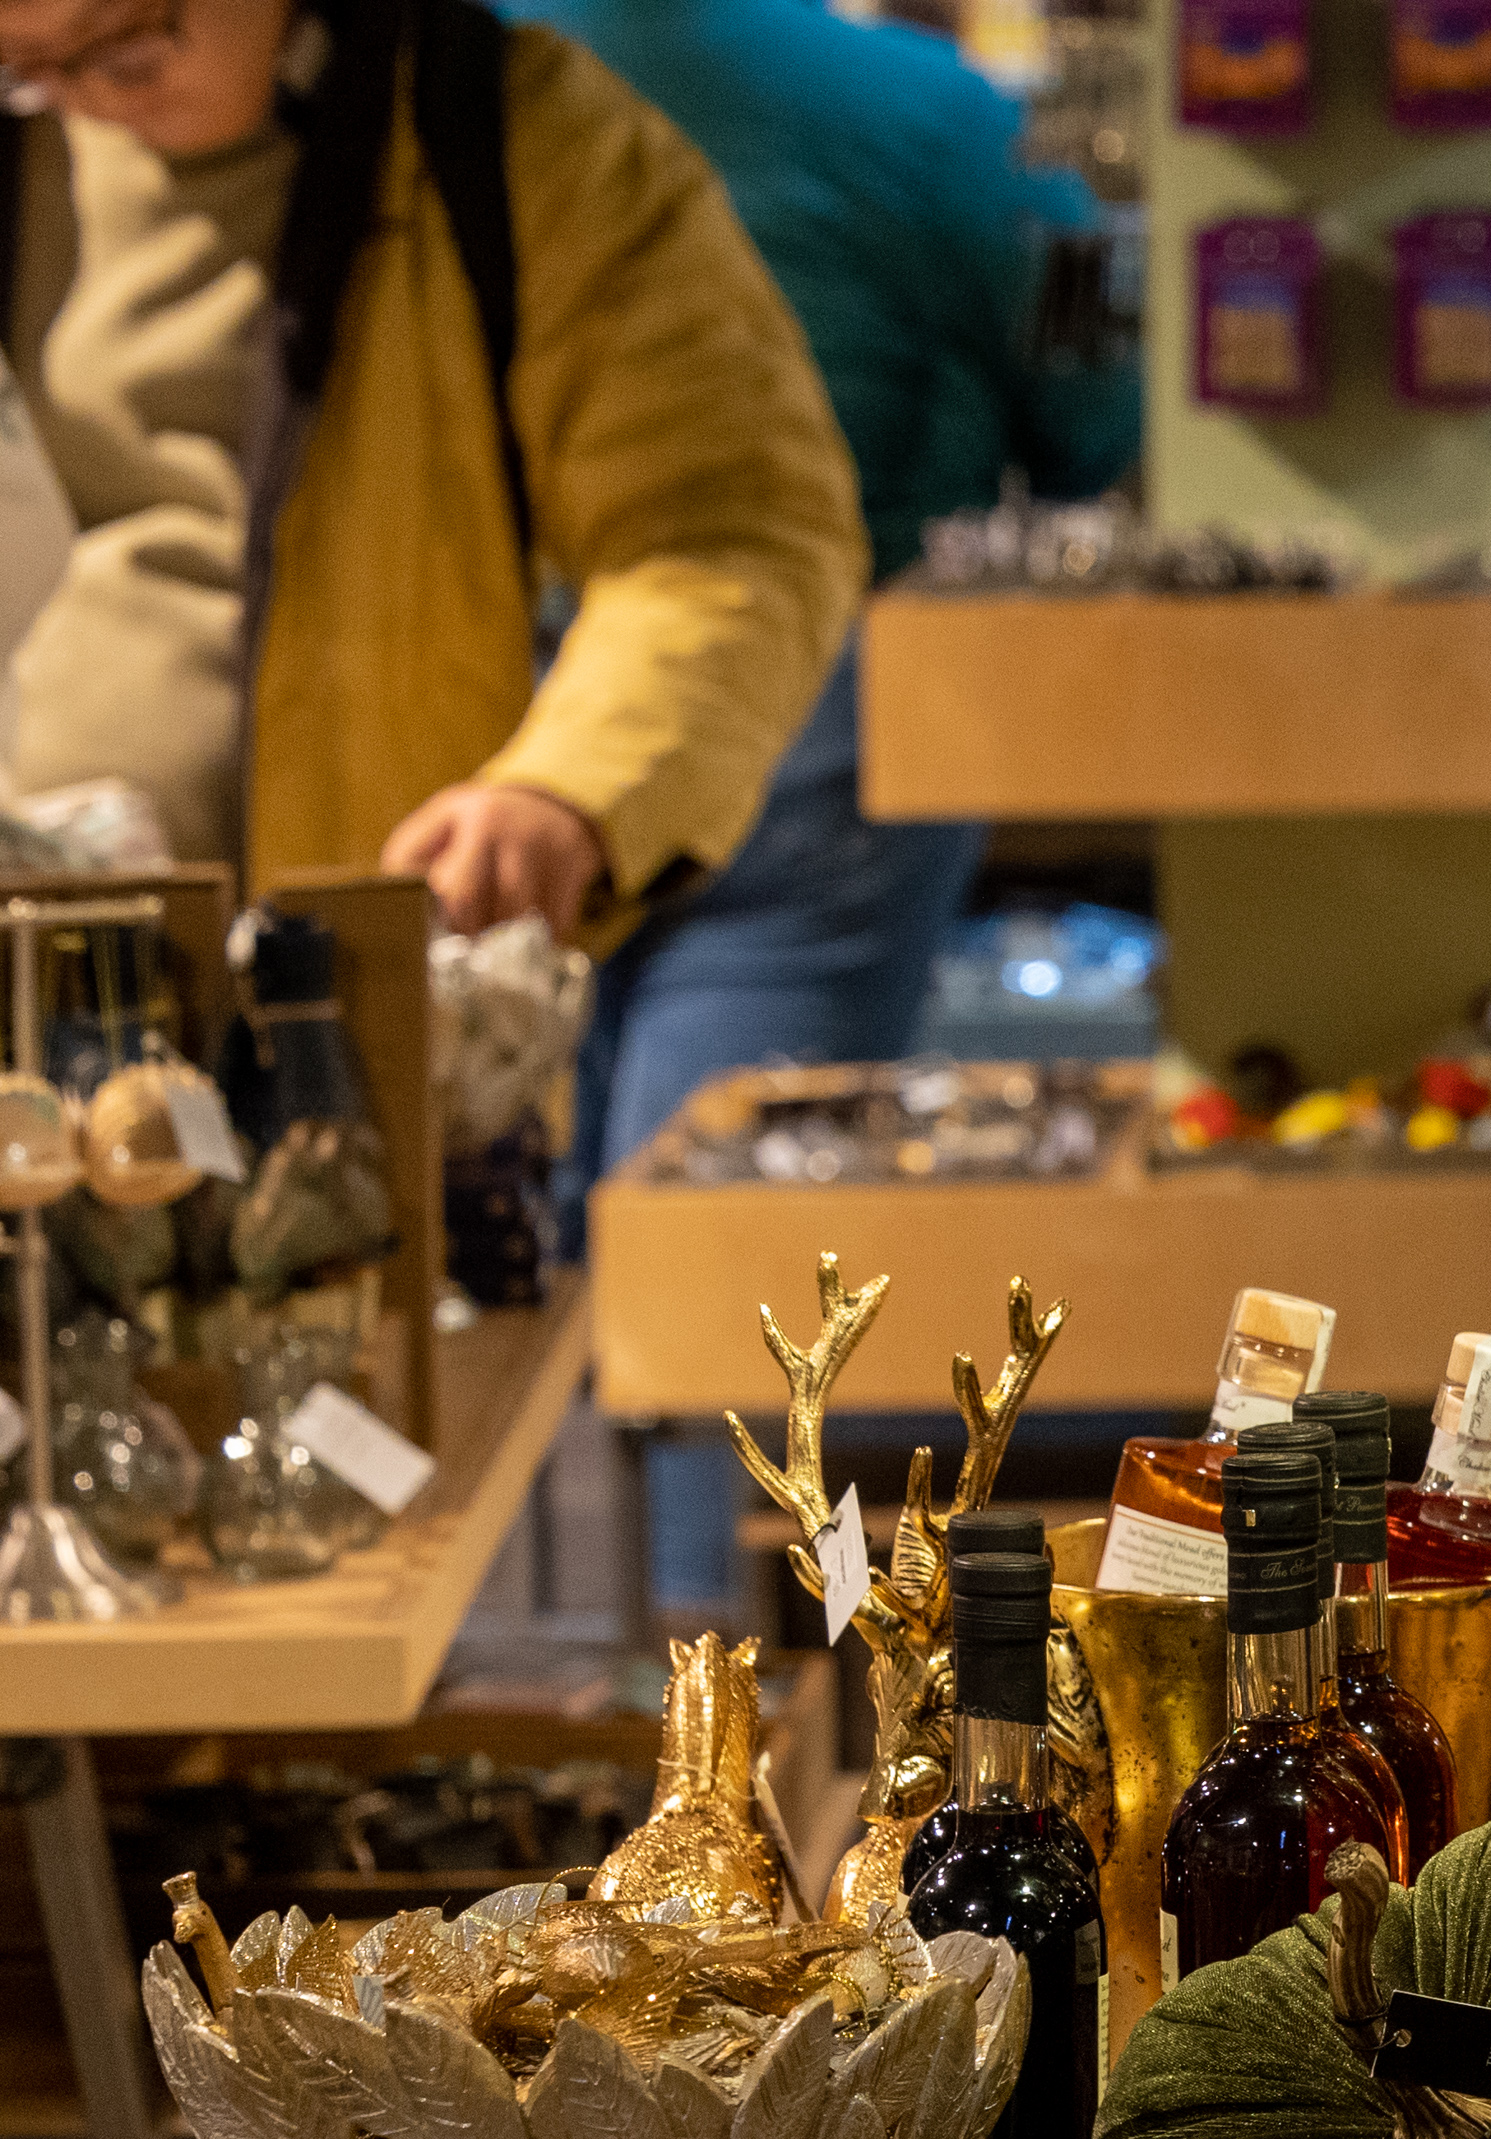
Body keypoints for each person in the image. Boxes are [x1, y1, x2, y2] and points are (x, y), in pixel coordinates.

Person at [513, 0, 1138, 1627]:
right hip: (821, 716)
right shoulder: (934, 115)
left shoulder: (462, 75)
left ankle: (547, 1684)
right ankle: (706, 1685)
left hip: (492, 716)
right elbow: (1103, 409)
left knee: (528, 1205)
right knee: (732, 1233)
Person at [0, 0, 865, 933]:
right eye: (24, 64)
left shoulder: (521, 137)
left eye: (126, 53)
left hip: (364, 981)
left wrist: (573, 789)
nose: (75, 99)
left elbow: (735, 533)